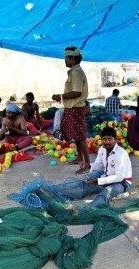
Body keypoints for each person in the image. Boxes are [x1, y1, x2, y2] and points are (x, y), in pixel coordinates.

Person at [52, 46, 90, 174]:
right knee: (77, 135)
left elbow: (77, 92)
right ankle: (79, 158)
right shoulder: (74, 71)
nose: (65, 61)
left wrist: (61, 96)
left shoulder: (76, 72)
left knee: (81, 136)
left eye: (66, 58)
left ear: (72, 59)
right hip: (72, 107)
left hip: (76, 108)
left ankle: (87, 164)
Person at [86, 126, 132, 208]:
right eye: (104, 139)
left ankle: (88, 209)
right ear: (101, 139)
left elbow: (119, 177)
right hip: (107, 174)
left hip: (122, 182)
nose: (107, 142)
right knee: (87, 178)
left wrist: (99, 180)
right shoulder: (102, 149)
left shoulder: (121, 154)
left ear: (115, 139)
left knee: (106, 193)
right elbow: (100, 164)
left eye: (110, 139)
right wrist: (89, 166)